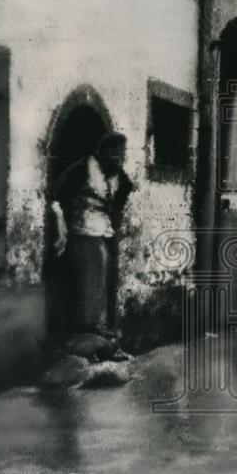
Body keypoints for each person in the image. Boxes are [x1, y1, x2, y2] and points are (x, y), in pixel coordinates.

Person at [50, 131, 134, 358]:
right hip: (81, 233)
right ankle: (84, 337)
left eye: (122, 154)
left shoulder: (121, 180)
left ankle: (102, 338)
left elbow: (117, 208)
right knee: (88, 279)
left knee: (107, 278)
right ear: (103, 152)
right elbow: (57, 199)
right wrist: (61, 230)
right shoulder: (81, 170)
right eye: (115, 153)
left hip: (105, 234)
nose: (119, 159)